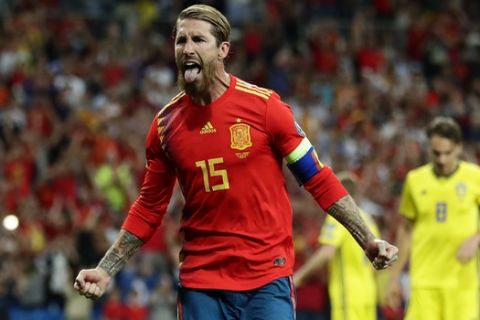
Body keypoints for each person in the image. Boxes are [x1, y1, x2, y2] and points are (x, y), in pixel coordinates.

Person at [73, 4, 398, 320]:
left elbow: (317, 178)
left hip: (266, 280)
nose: (187, 48)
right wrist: (105, 269)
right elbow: (148, 207)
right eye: (180, 40)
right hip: (202, 285)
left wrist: (366, 239)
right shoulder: (164, 127)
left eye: (198, 40)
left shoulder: (265, 108)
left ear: (222, 50)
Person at [386, 116, 480, 320]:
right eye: (436, 153)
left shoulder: (475, 177)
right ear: (429, 147)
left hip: (462, 285)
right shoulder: (415, 180)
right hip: (424, 283)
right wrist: (393, 278)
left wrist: (476, 238)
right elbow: (406, 230)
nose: (442, 160)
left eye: (448, 153)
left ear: (459, 147)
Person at [294, 172, 381, 320]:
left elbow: (327, 253)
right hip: (368, 295)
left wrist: (297, 278)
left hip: (348, 295)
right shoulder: (368, 221)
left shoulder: (340, 216)